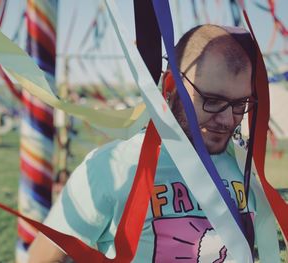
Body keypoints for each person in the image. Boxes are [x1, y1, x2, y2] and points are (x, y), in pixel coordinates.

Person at [28, 24, 257, 262]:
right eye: (212, 100)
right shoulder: (113, 167)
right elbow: (42, 257)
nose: (228, 119)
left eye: (240, 104)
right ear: (171, 86)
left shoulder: (243, 169)